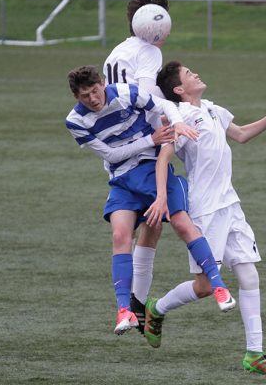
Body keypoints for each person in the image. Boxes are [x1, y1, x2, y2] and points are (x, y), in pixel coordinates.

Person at [143, 61, 266, 378]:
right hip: (204, 210)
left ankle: (255, 354)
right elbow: (164, 157)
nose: (196, 74)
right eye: (189, 74)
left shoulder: (214, 109)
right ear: (178, 89)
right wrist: (161, 196)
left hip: (231, 206)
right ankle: (156, 308)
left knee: (249, 276)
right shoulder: (183, 117)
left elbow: (241, 135)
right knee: (204, 286)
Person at [65, 65, 236, 336]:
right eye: (85, 96)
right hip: (122, 179)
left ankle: (218, 285)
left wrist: (176, 123)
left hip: (151, 167)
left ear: (103, 83)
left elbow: (165, 106)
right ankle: (125, 311)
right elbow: (110, 155)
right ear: (77, 97)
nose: (93, 99)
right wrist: (150, 139)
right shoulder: (76, 122)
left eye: (95, 91)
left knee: (181, 223)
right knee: (120, 235)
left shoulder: (125, 93)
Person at [102, 0, 171, 333]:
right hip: (145, 148)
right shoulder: (149, 51)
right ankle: (138, 305)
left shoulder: (116, 52)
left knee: (127, 231)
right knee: (157, 221)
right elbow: (147, 97)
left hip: (118, 149)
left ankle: (131, 307)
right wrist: (169, 127)